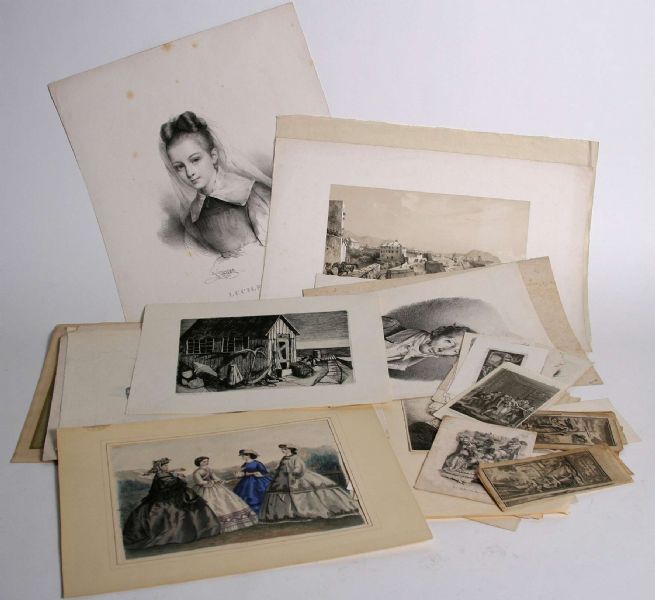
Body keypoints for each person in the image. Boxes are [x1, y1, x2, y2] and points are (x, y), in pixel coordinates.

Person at [159, 111, 272, 258]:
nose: (189, 172)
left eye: (195, 160)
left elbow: (274, 252)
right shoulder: (192, 219)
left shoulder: (252, 193)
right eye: (179, 167)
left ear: (213, 156)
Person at [122, 458, 222, 550]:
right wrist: (178, 478)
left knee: (191, 505)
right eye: (165, 465)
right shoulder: (160, 475)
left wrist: (176, 473)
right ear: (159, 467)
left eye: (167, 465)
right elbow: (170, 483)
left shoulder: (164, 473)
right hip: (165, 497)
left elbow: (170, 475)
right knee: (170, 511)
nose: (167, 467)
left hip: (174, 494)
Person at [260, 444, 360, 522]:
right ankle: (287, 514)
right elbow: (277, 468)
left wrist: (294, 473)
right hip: (281, 479)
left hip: (295, 478)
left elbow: (299, 467)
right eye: (282, 449)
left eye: (285, 449)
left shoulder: (296, 458)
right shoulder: (283, 459)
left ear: (290, 450)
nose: (283, 451)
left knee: (301, 494)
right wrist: (267, 472)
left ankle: (303, 512)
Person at [382, 316, 474, 371]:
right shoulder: (389, 325)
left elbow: (407, 362)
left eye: (455, 351)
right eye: (449, 341)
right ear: (438, 332)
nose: (446, 349)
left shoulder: (423, 354)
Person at [190, 456, 258, 532]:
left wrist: (220, 480)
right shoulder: (197, 472)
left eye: (207, 461)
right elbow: (200, 482)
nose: (207, 462)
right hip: (204, 489)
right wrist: (212, 482)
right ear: (199, 463)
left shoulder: (209, 469)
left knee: (226, 501)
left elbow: (214, 477)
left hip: (215, 487)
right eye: (204, 461)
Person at [232, 449, 274, 514]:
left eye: (243, 455)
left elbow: (264, 472)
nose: (242, 457)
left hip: (258, 481)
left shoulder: (257, 463)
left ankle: (262, 512)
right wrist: (238, 474)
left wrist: (259, 474)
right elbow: (243, 473)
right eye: (242, 455)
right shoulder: (244, 464)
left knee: (259, 495)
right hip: (246, 482)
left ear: (248, 455)